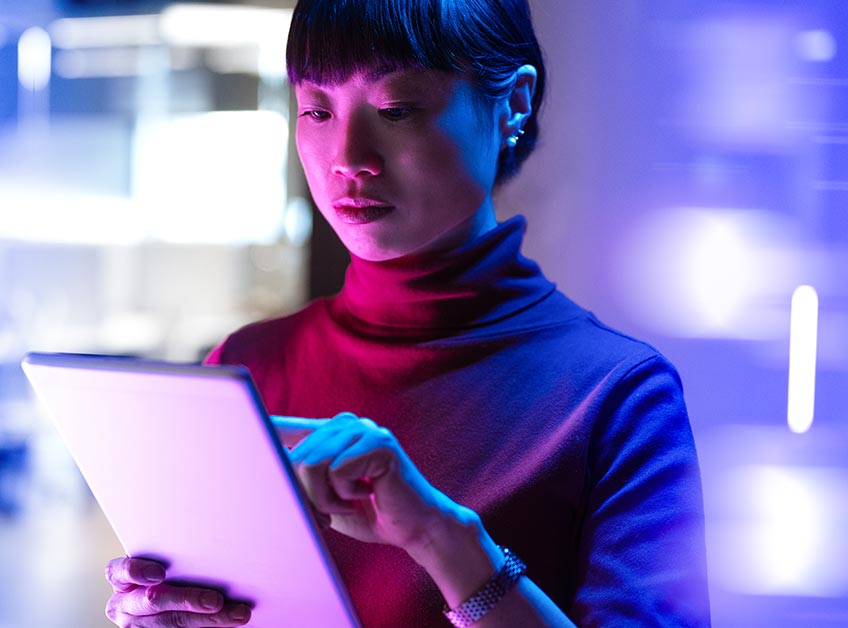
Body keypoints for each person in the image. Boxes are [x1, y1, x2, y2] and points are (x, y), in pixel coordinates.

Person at [104, 0, 711, 626]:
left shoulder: (617, 396)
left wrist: (438, 537)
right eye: (316, 110)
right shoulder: (243, 369)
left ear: (514, 105)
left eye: (396, 110)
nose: (347, 157)